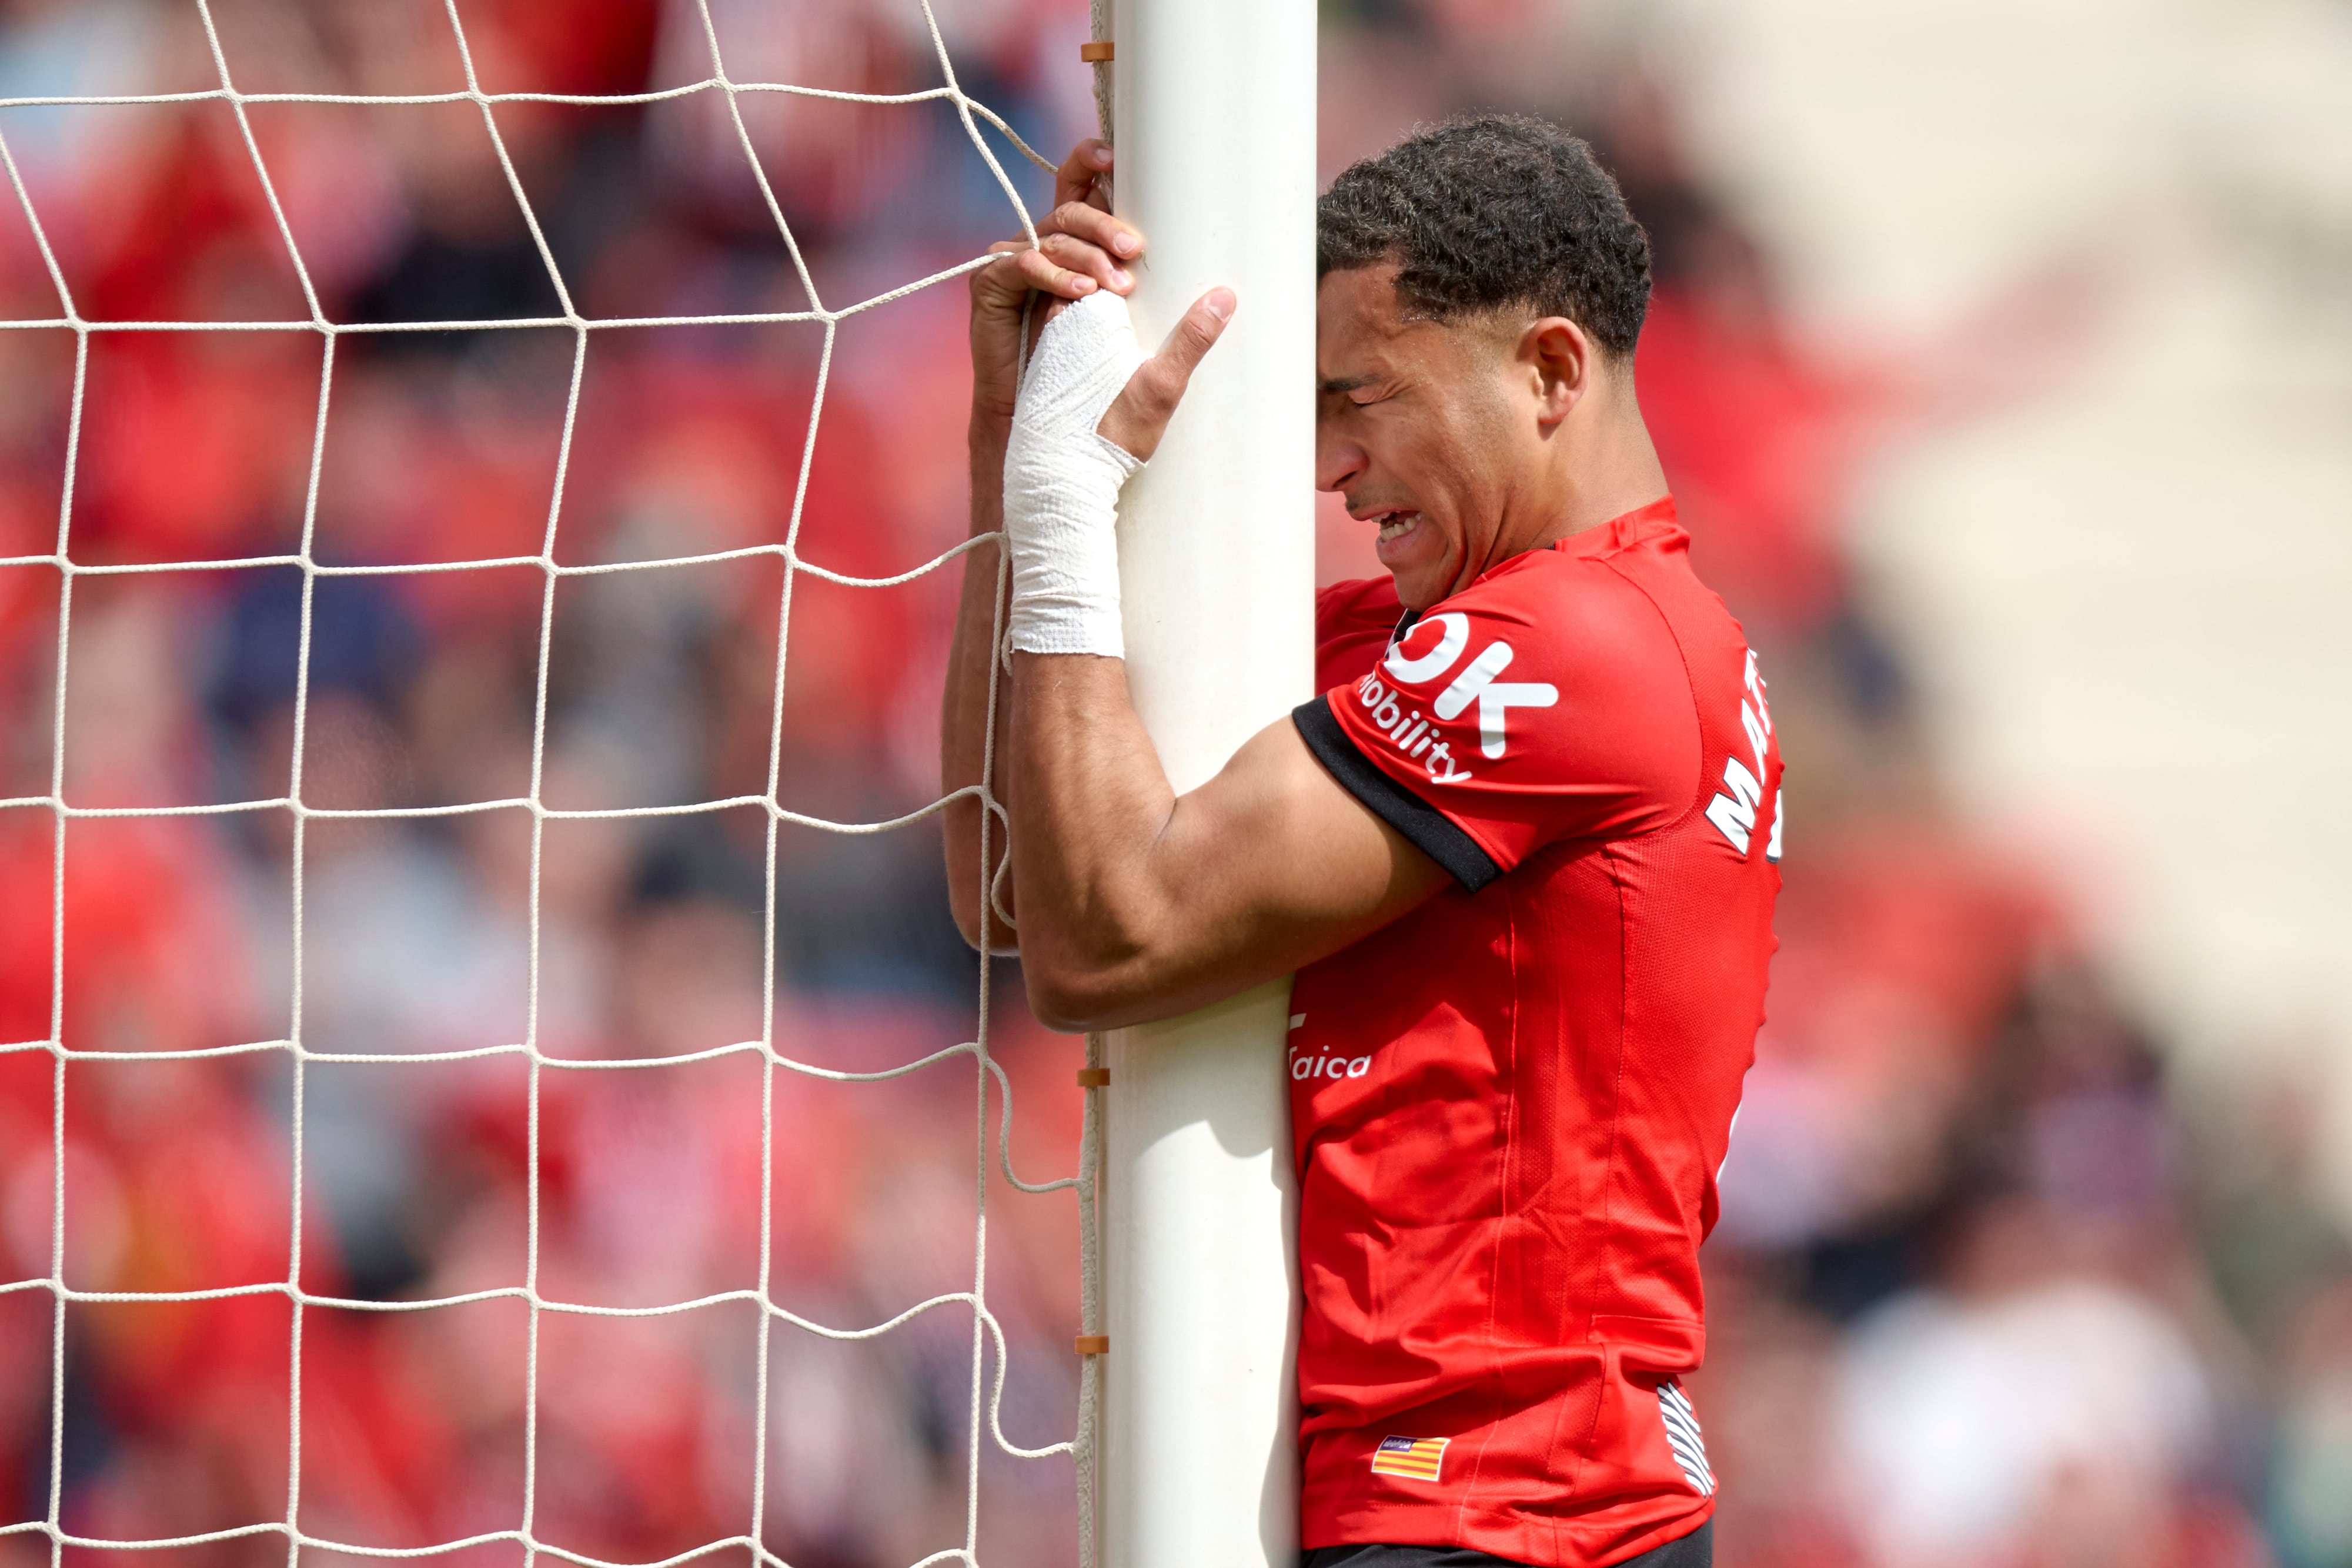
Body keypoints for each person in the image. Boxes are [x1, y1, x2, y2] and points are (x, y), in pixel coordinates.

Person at [940, 115, 1780, 1568]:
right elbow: (1016, 881)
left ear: (1547, 374)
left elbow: (1106, 936)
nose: (1333, 466)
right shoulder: (1467, 643)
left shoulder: (1575, 647)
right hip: (1489, 1499)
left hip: (1501, 1507)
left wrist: (1069, 502)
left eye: (1365, 399)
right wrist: (1012, 465)